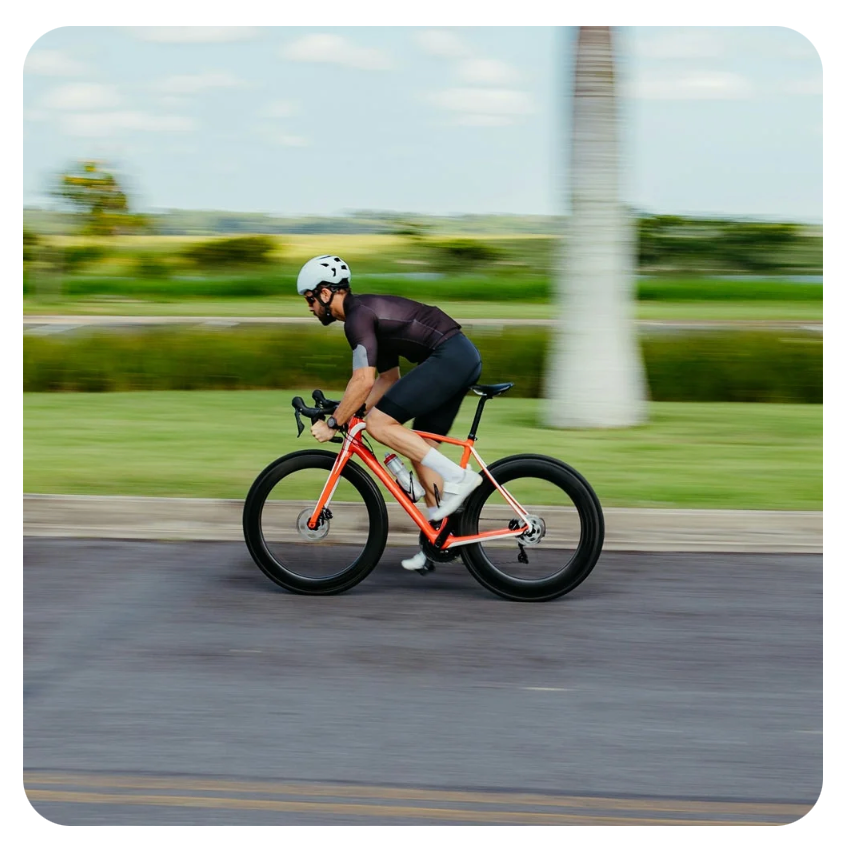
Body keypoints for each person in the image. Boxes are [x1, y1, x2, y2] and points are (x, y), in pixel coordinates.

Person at [297, 254, 483, 571]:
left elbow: (362, 379)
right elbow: (387, 379)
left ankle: (459, 477)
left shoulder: (357, 318)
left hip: (450, 356)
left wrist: (334, 422)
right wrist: (350, 411)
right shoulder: (365, 316)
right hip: (456, 356)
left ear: (327, 293)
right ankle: (438, 542)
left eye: (311, 298)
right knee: (422, 451)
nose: (310, 306)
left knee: (380, 424)